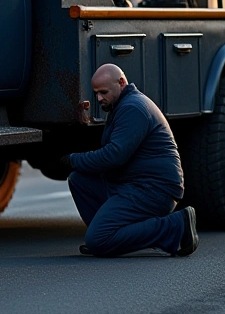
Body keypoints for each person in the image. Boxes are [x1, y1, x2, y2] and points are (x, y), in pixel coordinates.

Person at [62, 64, 198, 257]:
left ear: (122, 83)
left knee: (97, 239)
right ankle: (110, 238)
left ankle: (175, 226)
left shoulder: (134, 108)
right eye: (96, 93)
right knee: (79, 180)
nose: (99, 98)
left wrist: (73, 159)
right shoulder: (122, 106)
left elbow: (114, 155)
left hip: (154, 189)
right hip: (131, 184)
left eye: (103, 92)